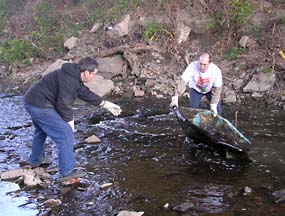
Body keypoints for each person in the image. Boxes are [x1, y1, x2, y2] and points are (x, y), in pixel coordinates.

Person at [23, 57, 122, 183]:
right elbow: (64, 104)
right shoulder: (69, 80)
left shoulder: (74, 75)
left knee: (41, 130)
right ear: (86, 73)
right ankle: (66, 172)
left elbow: (84, 93)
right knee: (65, 133)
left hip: (32, 100)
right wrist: (69, 121)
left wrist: (104, 104)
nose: (94, 77)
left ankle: (35, 160)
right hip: (39, 104)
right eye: (94, 74)